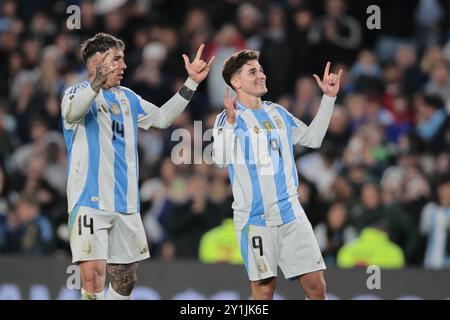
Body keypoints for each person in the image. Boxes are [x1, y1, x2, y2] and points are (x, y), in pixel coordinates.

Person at [61, 33, 214, 300]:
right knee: (93, 275)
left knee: (125, 279)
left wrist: (191, 82)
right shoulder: (76, 92)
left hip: (126, 202)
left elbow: (164, 118)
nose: (124, 66)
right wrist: (97, 80)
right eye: (117, 59)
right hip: (89, 199)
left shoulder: (128, 98)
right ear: (97, 61)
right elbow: (73, 113)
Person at [212, 50, 341, 300]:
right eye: (253, 72)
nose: (261, 75)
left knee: (317, 287)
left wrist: (328, 98)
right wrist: (229, 123)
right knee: (265, 291)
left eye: (260, 69)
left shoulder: (278, 113)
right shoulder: (229, 117)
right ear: (235, 82)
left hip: (292, 213)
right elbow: (219, 160)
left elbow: (312, 139)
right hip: (256, 218)